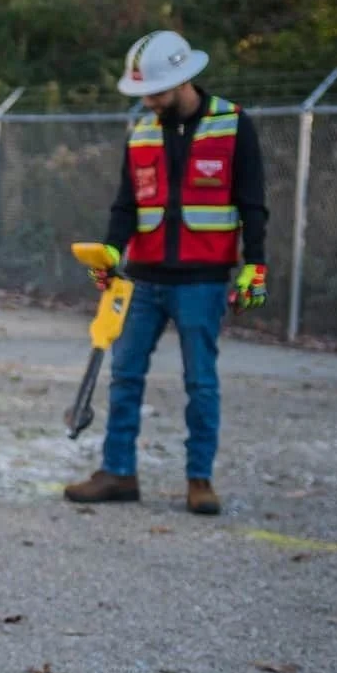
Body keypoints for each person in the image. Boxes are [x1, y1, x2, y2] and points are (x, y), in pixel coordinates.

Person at [63, 30, 268, 516]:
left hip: (204, 279)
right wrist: (111, 253)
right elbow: (125, 206)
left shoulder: (233, 125)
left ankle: (199, 480)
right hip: (143, 279)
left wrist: (255, 264)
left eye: (155, 91)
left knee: (201, 381)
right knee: (125, 375)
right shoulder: (142, 133)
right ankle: (118, 473)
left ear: (183, 79)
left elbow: (253, 202)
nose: (149, 101)